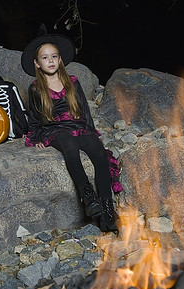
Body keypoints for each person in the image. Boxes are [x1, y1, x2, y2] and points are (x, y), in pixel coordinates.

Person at [21, 34, 122, 232]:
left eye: (54, 57)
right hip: (55, 129)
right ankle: (88, 196)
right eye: (45, 58)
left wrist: (91, 133)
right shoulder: (35, 88)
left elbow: (84, 110)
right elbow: (34, 117)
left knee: (98, 151)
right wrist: (36, 137)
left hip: (77, 125)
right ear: (37, 63)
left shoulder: (73, 82)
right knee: (69, 145)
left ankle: (108, 210)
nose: (50, 61)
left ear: (60, 59)